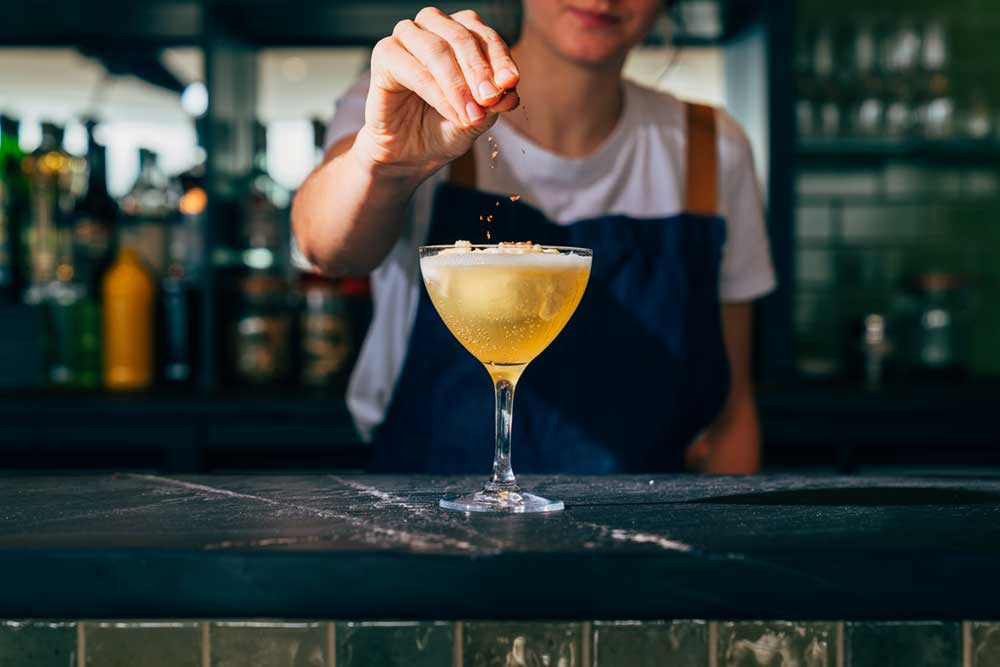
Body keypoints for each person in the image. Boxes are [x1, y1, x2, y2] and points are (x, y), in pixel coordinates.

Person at [292, 0, 776, 474]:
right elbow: (326, 247)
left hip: (644, 524)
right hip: (429, 516)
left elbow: (730, 411)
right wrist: (383, 162)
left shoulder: (712, 148)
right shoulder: (417, 107)